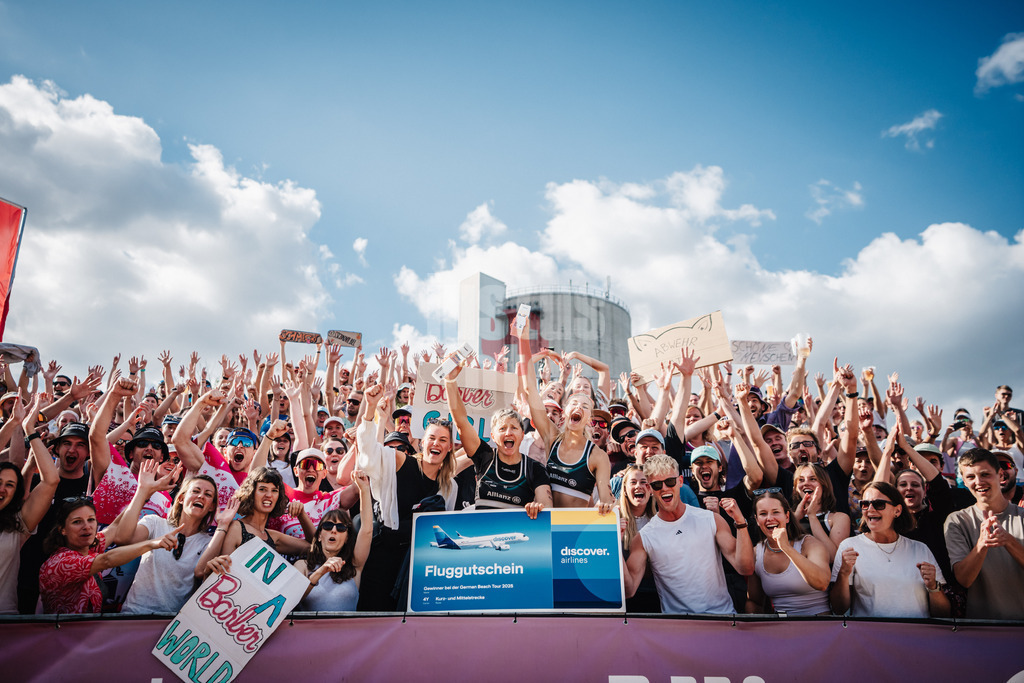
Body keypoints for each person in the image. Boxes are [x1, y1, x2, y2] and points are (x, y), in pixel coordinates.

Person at [355, 382, 461, 611]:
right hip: (383, 557)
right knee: (374, 615)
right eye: (431, 438)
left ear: (450, 447)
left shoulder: (450, 487)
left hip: (418, 564)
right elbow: (369, 456)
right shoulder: (400, 461)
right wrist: (370, 410)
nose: (436, 443)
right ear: (422, 442)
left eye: (443, 440)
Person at [623, 455, 753, 614]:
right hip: (679, 625)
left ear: (680, 481)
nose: (664, 488)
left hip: (721, 618)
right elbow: (629, 590)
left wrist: (740, 522)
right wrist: (613, 543)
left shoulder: (710, 519)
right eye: (657, 485)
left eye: (670, 482)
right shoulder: (644, 537)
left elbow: (745, 568)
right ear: (650, 489)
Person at [519, 319, 614, 512]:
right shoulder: (551, 437)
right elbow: (529, 387)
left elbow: (606, 499)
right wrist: (523, 338)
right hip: (545, 523)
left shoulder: (598, 456)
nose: (579, 406)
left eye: (585, 406)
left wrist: (607, 505)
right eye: (574, 403)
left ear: (589, 419)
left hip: (576, 527)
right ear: (565, 413)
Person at [113, 463, 231, 614]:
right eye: (195, 491)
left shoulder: (208, 542)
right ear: (181, 498)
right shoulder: (155, 523)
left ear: (211, 507)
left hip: (172, 622)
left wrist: (223, 525)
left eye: (208, 495)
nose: (201, 496)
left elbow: (201, 572)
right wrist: (142, 490)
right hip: (134, 614)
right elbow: (122, 538)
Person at [39, 496, 179, 614]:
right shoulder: (60, 563)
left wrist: (144, 493)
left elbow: (115, 527)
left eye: (91, 519)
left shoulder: (89, 547)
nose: (87, 526)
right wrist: (151, 544)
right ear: (62, 530)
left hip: (86, 634)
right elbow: (107, 560)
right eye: (77, 522)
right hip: (63, 635)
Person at [444, 362, 552, 514]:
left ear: (522, 435)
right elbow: (461, 421)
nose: (508, 433)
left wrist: (538, 507)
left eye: (514, 428)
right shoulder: (484, 457)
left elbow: (547, 507)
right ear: (493, 436)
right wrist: (450, 381)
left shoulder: (534, 469)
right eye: (502, 428)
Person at [830, 482, 950, 618]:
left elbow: (943, 614)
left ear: (897, 511)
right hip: (869, 631)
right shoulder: (849, 547)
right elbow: (838, 609)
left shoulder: (920, 549)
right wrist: (843, 574)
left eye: (878, 504)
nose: (870, 509)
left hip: (916, 631)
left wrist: (933, 586)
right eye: (865, 504)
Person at [943, 448, 1024, 619]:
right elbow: (963, 579)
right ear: (964, 481)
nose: (978, 482)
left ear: (1000, 475)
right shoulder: (957, 521)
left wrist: (1009, 541)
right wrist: (981, 545)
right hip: (981, 627)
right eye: (971, 477)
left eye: (985, 474)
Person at [1, 397, 60, 614]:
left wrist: (30, 430)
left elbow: (51, 481)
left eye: (10, 485)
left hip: (5, 620)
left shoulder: (17, 527)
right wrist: (12, 423)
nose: (2, 489)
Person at [196, 467, 311, 577]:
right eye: (262, 489)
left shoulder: (272, 536)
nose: (269, 495)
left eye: (274, 490)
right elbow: (220, 574)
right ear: (251, 492)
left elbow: (314, 548)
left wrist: (302, 514)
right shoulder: (236, 528)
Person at [295, 471, 373, 611]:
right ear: (319, 535)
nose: (334, 530)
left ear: (347, 537)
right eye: (328, 526)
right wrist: (321, 571)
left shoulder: (354, 565)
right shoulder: (303, 565)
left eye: (341, 527)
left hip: (346, 626)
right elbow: (291, 599)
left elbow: (366, 530)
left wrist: (364, 489)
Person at [745, 490, 831, 616]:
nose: (770, 518)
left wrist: (786, 548)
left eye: (776, 512)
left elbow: (822, 583)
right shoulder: (756, 553)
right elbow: (754, 601)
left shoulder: (809, 544)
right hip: (781, 625)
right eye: (763, 514)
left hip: (818, 621)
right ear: (757, 520)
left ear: (787, 517)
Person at [618, 464, 659, 613]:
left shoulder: (660, 521)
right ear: (625, 489)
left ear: (650, 489)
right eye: (633, 482)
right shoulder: (614, 519)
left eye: (643, 482)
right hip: (622, 598)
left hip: (655, 596)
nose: (638, 486)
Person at [789, 463, 851, 563]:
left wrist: (812, 516)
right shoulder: (787, 517)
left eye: (813, 479)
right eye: (801, 480)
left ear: (824, 485)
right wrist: (795, 518)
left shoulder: (839, 518)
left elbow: (832, 557)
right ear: (795, 487)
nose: (806, 483)